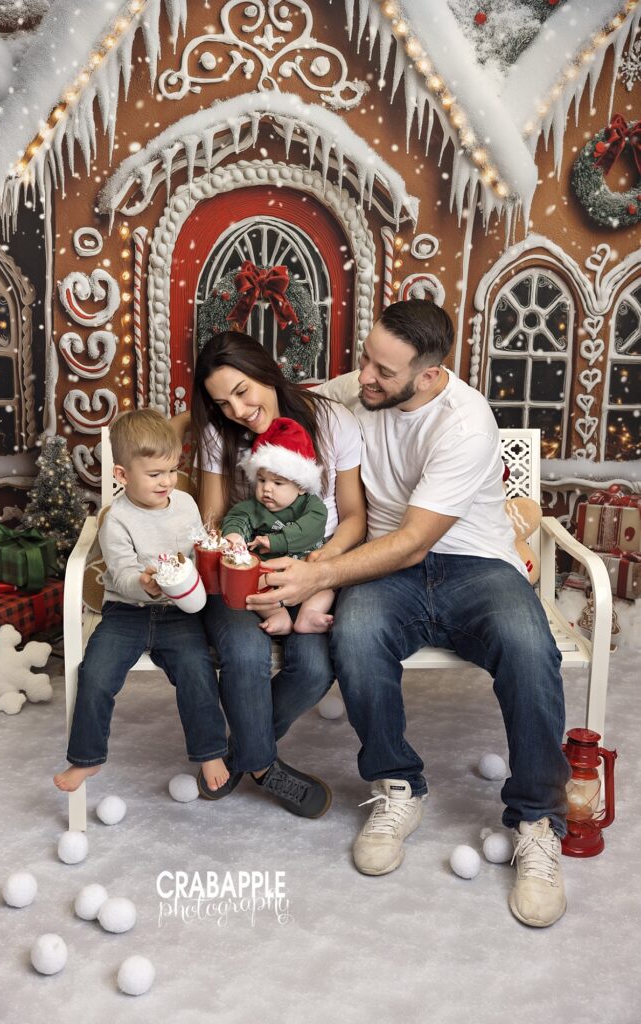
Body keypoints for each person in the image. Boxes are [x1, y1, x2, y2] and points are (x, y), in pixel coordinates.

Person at [247, 299, 571, 929]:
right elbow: (266, 399)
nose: (364, 375)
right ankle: (398, 786)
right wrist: (183, 423)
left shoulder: (466, 421)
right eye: (366, 358)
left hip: (473, 563)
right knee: (359, 635)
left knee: (530, 649)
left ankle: (536, 821)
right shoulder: (357, 389)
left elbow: (418, 541)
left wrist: (317, 573)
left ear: (427, 375)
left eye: (382, 371)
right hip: (384, 566)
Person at [176, 330, 366, 816]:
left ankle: (240, 751)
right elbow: (214, 513)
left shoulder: (333, 422)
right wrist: (239, 555)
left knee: (315, 668)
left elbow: (353, 517)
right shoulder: (222, 431)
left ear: (266, 372)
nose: (237, 410)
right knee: (243, 651)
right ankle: (263, 765)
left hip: (314, 567)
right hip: (244, 570)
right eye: (222, 403)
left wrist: (316, 570)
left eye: (242, 391)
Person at [54, 409, 230, 794]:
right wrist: (145, 585)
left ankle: (210, 750)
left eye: (171, 470)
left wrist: (211, 554)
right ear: (122, 475)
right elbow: (120, 575)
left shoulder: (184, 504)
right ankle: (86, 758)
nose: (166, 481)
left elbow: (199, 548)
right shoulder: (116, 518)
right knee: (96, 674)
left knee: (197, 671)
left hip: (177, 613)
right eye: (154, 475)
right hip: (127, 612)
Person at [222, 416, 334, 636]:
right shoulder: (253, 507)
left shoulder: (312, 506)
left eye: (278, 483)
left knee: (326, 589)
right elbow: (237, 518)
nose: (267, 489)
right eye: (262, 480)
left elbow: (312, 528)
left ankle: (309, 614)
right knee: (255, 588)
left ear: (301, 487)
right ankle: (277, 616)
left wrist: (275, 541)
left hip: (306, 571)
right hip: (270, 574)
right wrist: (234, 535)